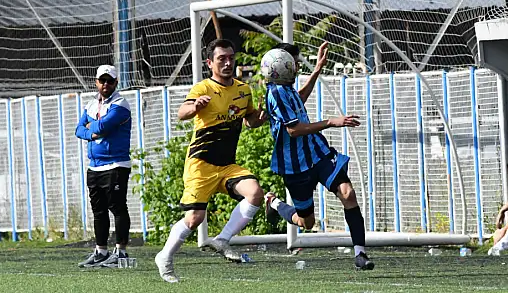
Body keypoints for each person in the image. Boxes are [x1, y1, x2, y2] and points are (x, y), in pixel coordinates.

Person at [154, 39, 268, 283]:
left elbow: (249, 120)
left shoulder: (243, 89)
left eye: (230, 57)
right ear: (209, 63)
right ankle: (164, 257)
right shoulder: (203, 88)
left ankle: (222, 240)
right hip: (201, 164)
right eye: (221, 59)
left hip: (227, 165)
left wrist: (261, 117)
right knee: (195, 219)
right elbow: (181, 113)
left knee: (255, 193)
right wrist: (195, 106)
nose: (227, 62)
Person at [262, 42, 375, 271]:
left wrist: (317, 69)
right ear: (282, 66)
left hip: (318, 152)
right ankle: (273, 202)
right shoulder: (275, 93)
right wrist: (332, 122)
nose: (296, 69)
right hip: (295, 166)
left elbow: (299, 99)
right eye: (294, 64)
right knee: (307, 222)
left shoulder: (286, 87)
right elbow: (293, 130)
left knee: (348, 194)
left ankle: (360, 253)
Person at [75, 65, 133, 268]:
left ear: (116, 83)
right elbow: (78, 129)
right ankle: (100, 251)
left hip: (116, 164)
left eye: (110, 81)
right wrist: (91, 131)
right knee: (98, 211)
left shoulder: (120, 104)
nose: (106, 84)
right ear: (96, 82)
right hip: (95, 166)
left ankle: (121, 252)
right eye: (102, 80)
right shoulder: (90, 105)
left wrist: (91, 128)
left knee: (117, 207)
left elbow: (103, 126)